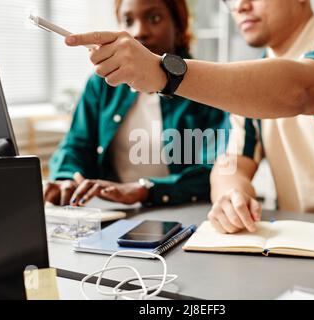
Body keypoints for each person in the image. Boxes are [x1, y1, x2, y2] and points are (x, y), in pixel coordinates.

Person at [64, 0, 314, 231]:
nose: (239, 5)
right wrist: (231, 194)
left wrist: (164, 72)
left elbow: (298, 91)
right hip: (302, 247)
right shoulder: (252, 87)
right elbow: (230, 166)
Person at [45, 0, 225, 207]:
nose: (139, 32)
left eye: (154, 18)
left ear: (178, 24)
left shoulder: (207, 85)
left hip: (187, 212)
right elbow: (75, 144)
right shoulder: (102, 84)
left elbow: (218, 170)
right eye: (128, 21)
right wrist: (65, 178)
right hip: (114, 213)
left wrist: (145, 189)